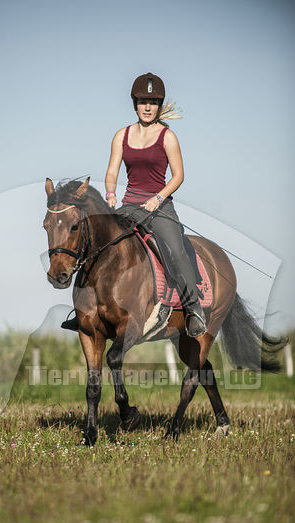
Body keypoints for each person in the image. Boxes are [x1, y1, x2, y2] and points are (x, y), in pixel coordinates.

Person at [61, 72, 206, 338]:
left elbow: (178, 176)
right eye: (142, 101)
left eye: (153, 102)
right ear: (134, 103)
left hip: (160, 208)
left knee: (176, 250)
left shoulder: (168, 137)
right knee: (97, 244)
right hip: (129, 206)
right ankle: (84, 309)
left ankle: (193, 307)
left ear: (159, 106)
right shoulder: (121, 136)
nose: (148, 107)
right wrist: (110, 194)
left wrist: (158, 198)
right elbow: (112, 172)